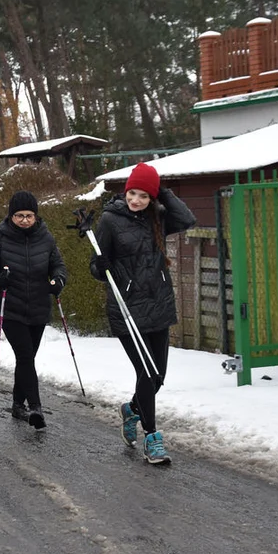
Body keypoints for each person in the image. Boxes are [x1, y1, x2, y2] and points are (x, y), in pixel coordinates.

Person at [89, 162, 196, 465]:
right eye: (132, 193)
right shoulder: (110, 220)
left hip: (159, 305)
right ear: (125, 193)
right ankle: (152, 437)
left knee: (157, 376)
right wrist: (102, 267)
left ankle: (131, 410)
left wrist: (160, 190)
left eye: (143, 195)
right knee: (146, 374)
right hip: (128, 309)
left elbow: (187, 219)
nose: (136, 200)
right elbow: (96, 264)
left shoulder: (158, 218)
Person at [0, 190, 67, 430]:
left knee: (26, 359)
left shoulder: (46, 237)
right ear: (10, 216)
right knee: (26, 356)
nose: (25, 220)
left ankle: (18, 405)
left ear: (36, 216)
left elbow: (58, 265)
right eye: (19, 215)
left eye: (29, 215)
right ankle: (36, 407)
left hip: (38, 307)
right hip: (11, 308)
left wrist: (58, 280)